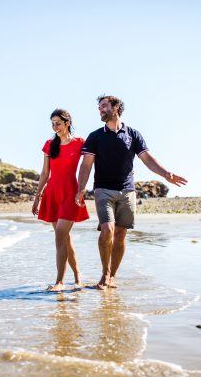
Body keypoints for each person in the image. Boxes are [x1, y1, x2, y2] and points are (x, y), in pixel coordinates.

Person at [75, 95, 187, 290]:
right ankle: (104, 274)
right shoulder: (95, 136)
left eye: (103, 106)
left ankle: (113, 276)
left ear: (116, 107)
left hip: (127, 190)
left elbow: (147, 159)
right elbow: (86, 165)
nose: (100, 110)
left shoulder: (133, 134)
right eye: (99, 107)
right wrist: (81, 188)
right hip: (103, 189)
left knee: (120, 234)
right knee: (107, 229)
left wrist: (166, 174)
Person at [33, 108, 90, 291]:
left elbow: (92, 161)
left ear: (67, 123)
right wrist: (37, 197)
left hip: (70, 194)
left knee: (60, 235)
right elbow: (44, 173)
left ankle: (59, 282)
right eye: (52, 123)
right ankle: (77, 275)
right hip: (52, 194)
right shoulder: (50, 145)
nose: (54, 127)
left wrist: (83, 188)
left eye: (58, 123)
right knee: (64, 238)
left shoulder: (80, 143)